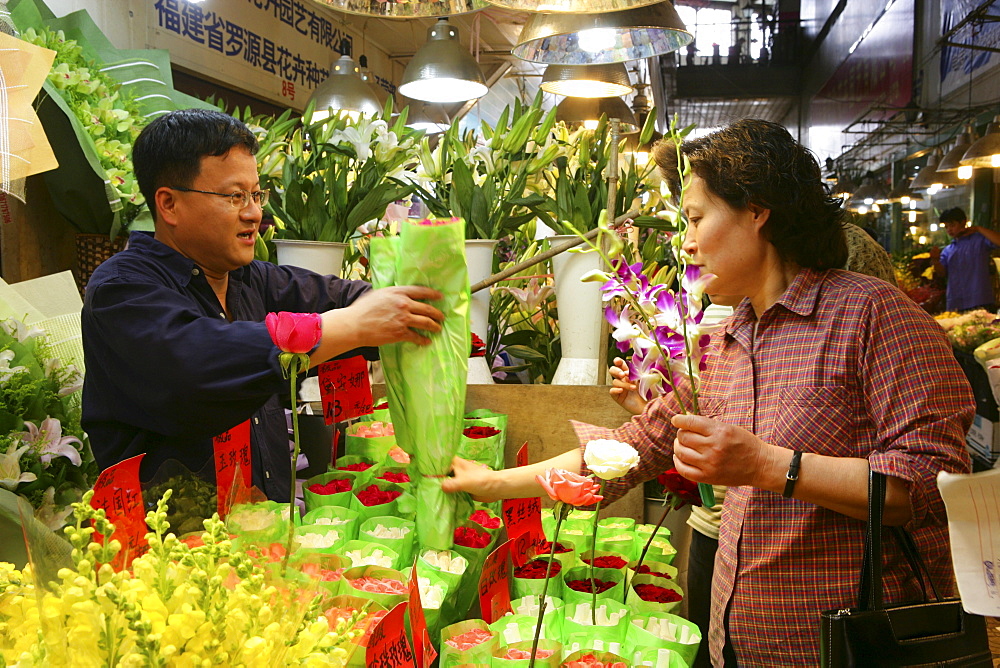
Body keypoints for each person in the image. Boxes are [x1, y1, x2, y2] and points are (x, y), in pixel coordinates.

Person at [444, 119, 973, 666]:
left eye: (696, 218)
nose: (687, 241)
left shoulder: (871, 315)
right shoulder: (722, 342)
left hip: (843, 646)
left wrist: (768, 465)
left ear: (756, 210)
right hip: (737, 643)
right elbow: (630, 449)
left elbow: (935, 485)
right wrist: (493, 483)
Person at [82, 109, 444, 501]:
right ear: (169, 204)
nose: (254, 213)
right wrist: (348, 326)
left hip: (262, 537)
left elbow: (344, 297)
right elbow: (198, 364)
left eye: (256, 194)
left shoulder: (252, 279)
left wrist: (396, 310)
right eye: (235, 196)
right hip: (168, 547)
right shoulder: (121, 289)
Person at [935, 207, 1000, 312]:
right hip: (955, 302)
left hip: (980, 299)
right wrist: (935, 260)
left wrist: (978, 229)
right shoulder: (948, 250)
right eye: (946, 227)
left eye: (952, 225)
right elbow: (941, 273)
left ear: (963, 222)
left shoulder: (979, 240)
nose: (949, 230)